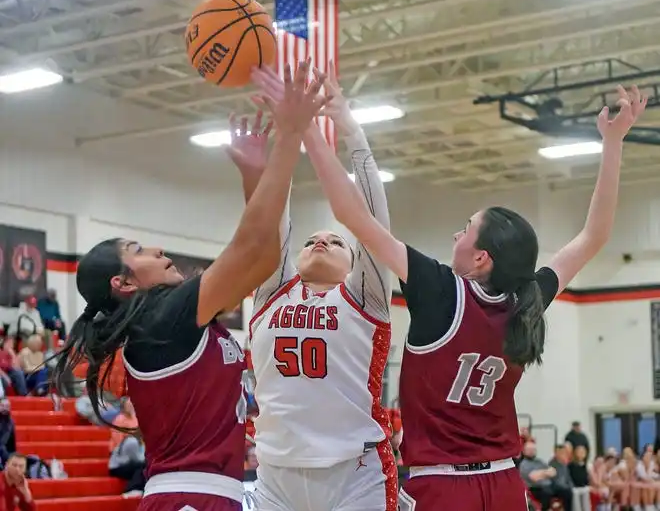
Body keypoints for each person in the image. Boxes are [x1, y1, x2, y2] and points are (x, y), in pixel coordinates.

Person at [298, 73, 647, 511]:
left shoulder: (441, 290)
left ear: (482, 257)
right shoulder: (527, 299)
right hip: (504, 484)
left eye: (465, 229)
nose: (454, 234)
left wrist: (312, 130)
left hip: (443, 488)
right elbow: (594, 236)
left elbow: (352, 214)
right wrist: (613, 143)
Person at [51, 61, 328, 511]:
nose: (158, 250)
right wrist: (290, 136)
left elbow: (263, 258)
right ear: (122, 282)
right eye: (139, 249)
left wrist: (254, 176)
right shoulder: (164, 317)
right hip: (189, 497)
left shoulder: (169, 321)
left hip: (206, 494)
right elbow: (251, 247)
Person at [245, 62, 397, 511]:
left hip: (354, 471)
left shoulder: (363, 297)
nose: (320, 241)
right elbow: (274, 217)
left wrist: (352, 131)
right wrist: (286, 139)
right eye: (311, 239)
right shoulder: (272, 294)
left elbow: (371, 224)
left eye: (335, 240)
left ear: (354, 263)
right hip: (274, 473)